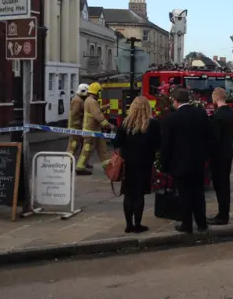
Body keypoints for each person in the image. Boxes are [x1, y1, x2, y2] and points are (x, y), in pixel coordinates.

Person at [160, 88, 211, 234]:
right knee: (198, 194)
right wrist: (205, 156)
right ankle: (202, 223)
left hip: (180, 163)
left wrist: (164, 165)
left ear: (175, 102)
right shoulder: (201, 114)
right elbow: (208, 137)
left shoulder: (171, 119)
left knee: (184, 195)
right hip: (198, 162)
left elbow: (166, 145)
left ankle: (186, 224)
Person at [112, 96, 161, 233]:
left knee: (128, 194)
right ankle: (138, 224)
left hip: (127, 164)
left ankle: (128, 225)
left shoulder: (125, 123)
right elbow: (158, 144)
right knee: (139, 194)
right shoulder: (153, 124)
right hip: (145, 163)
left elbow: (116, 143)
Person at [208, 87, 233, 225]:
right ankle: (224, 213)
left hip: (218, 156)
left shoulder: (217, 116)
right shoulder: (231, 114)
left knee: (219, 186)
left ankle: (222, 216)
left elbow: (214, 139)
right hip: (228, 153)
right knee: (225, 184)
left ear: (215, 99)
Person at [76, 82, 115, 175]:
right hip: (90, 131)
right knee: (87, 150)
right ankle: (80, 168)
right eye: (100, 91)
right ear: (97, 92)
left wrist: (105, 107)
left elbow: (96, 111)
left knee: (103, 149)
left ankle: (108, 167)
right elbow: (98, 116)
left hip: (95, 131)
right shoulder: (92, 101)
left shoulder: (90, 100)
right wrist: (109, 125)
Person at [66, 83, 89, 159]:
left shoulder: (78, 99)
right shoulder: (78, 101)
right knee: (73, 145)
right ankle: (67, 161)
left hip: (77, 126)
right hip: (75, 127)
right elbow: (74, 113)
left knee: (77, 144)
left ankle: (69, 161)